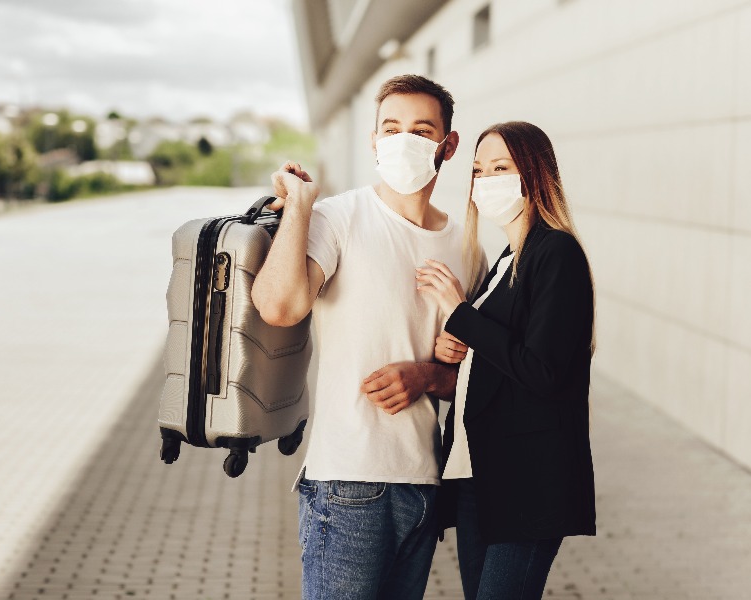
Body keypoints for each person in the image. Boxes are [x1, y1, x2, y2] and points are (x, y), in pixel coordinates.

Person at [251, 74, 486, 600]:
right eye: (391, 128)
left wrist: (432, 373)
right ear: (374, 141)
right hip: (349, 481)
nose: (405, 140)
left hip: (424, 484)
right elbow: (280, 306)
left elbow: (476, 380)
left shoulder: (467, 248)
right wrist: (300, 206)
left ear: (447, 146)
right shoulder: (338, 216)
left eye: (422, 130)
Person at [416, 121, 597, 599]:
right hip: (482, 473)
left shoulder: (556, 253)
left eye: (501, 167)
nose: (485, 181)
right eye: (477, 170)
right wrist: (456, 349)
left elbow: (543, 371)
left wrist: (460, 313)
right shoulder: (505, 260)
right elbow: (499, 355)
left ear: (534, 174)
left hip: (528, 481)